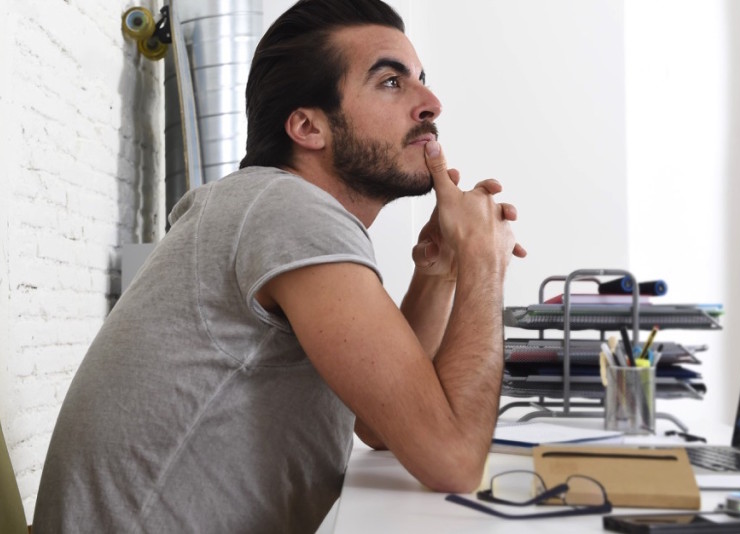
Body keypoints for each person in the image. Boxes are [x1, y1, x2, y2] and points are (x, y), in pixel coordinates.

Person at [33, 0, 524, 532]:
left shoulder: (268, 207)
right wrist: (483, 263)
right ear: (309, 127)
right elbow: (451, 459)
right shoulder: (289, 212)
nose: (431, 103)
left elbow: (382, 427)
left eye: (421, 80)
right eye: (390, 82)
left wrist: (442, 270)